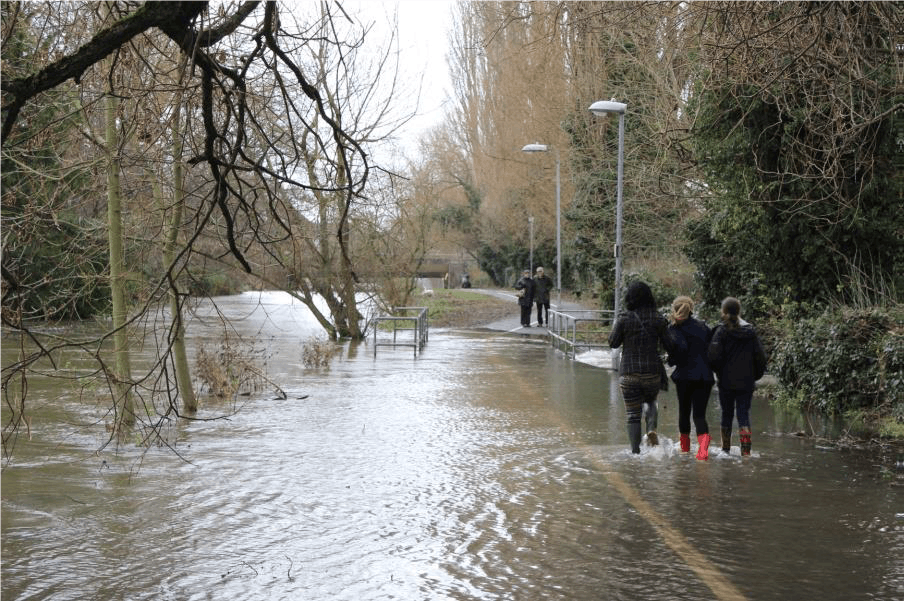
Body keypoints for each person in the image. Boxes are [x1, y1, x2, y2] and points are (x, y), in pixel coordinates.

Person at [608, 281, 673, 453]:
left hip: (629, 373)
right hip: (652, 373)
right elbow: (670, 345)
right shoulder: (658, 319)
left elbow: (613, 343)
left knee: (632, 415)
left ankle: (635, 453)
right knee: (651, 401)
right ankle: (651, 429)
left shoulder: (624, 318)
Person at [707, 296, 767, 456]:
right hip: (746, 382)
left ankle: (725, 450)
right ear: (739, 311)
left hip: (726, 381)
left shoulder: (721, 331)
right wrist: (754, 376)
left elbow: (713, 356)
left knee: (726, 414)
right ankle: (746, 452)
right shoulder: (751, 332)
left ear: (723, 311)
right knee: (743, 414)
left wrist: (719, 373)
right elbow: (760, 358)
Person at [667, 296, 716, 460]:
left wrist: (670, 360)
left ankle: (685, 450)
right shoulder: (703, 327)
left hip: (684, 377)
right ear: (691, 309)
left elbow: (674, 356)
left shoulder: (673, 329)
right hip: (705, 377)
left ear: (674, 309)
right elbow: (711, 350)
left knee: (684, 412)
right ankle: (703, 452)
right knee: (700, 415)